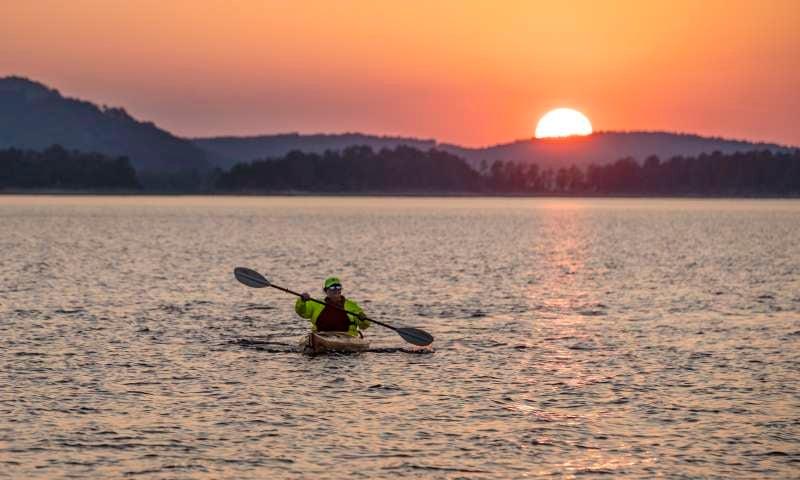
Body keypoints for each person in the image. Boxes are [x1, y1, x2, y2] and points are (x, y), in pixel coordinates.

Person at [296, 277, 370, 337]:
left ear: (341, 289)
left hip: (347, 337)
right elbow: (302, 312)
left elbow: (364, 326)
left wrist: (363, 319)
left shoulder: (352, 306)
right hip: (321, 336)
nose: (336, 290)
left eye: (338, 287)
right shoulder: (315, 304)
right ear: (325, 290)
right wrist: (302, 301)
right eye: (332, 287)